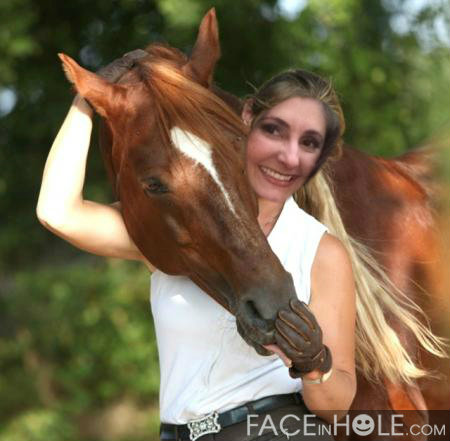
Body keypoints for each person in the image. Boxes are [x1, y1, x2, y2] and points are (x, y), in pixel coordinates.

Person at [36, 54, 444, 441]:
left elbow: (336, 406)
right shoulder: (181, 217)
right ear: (248, 117)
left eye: (309, 144)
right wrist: (88, 99)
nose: (287, 156)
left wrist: (314, 362)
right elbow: (58, 211)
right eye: (275, 130)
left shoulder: (320, 249)